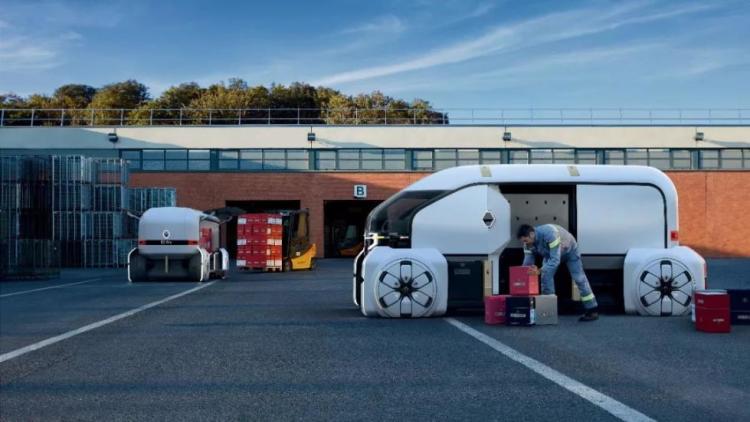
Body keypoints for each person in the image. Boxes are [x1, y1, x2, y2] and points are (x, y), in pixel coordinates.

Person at [517, 223, 599, 321]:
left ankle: (592, 310)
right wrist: (521, 280)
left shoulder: (550, 234)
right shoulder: (528, 244)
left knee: (579, 278)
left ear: (531, 234)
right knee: (545, 278)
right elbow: (527, 264)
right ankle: (548, 312)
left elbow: (555, 260)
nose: (525, 244)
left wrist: (539, 270)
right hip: (550, 255)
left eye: (526, 241)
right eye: (523, 242)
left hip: (570, 251)